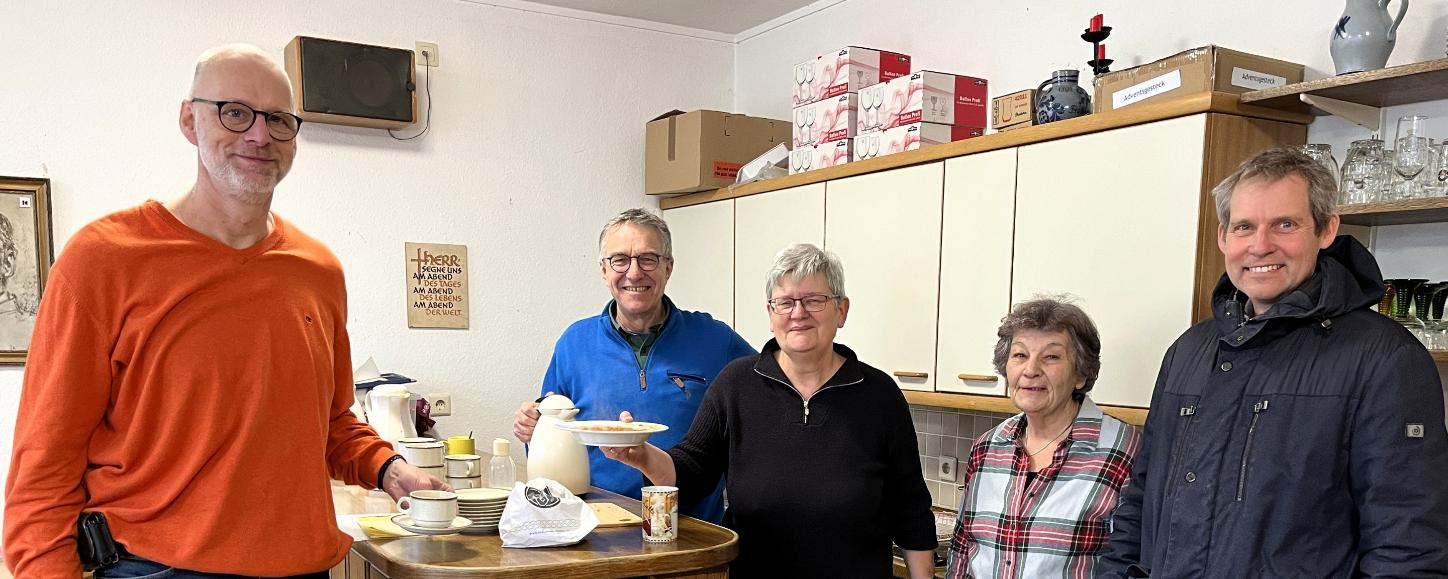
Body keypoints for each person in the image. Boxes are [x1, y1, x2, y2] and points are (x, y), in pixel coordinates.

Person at [3, 44, 445, 578]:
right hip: (155, 568)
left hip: (301, 568)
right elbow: (43, 470)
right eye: (234, 112)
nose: (259, 136)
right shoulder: (102, 261)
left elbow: (329, 423)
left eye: (279, 120)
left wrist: (387, 467)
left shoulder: (317, 270)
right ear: (190, 119)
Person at [1096, 147, 1448, 577]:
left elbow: (1408, 549)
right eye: (1245, 227)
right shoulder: (1188, 352)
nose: (1261, 246)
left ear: (1326, 230)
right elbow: (1140, 502)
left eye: (1285, 224)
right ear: (1223, 237)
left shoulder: (1386, 359)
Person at [603, 243, 937, 578]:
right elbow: (691, 472)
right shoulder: (736, 385)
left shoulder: (878, 394)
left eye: (814, 300)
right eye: (785, 302)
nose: (798, 313)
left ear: (842, 310)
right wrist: (642, 454)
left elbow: (910, 506)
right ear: (770, 312)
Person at [511, 208, 754, 522]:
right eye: (620, 260)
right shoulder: (575, 343)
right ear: (603, 271)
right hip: (595, 529)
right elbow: (550, 432)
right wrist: (532, 428)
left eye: (648, 258)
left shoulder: (716, 340)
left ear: (668, 267)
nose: (634, 272)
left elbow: (770, 389)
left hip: (693, 532)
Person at [945, 297, 1142, 578]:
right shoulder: (987, 448)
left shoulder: (1123, 450)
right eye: (1020, 355)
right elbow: (963, 547)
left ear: (1080, 373)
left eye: (1051, 356)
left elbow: (1130, 561)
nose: (1031, 370)